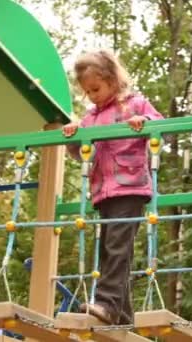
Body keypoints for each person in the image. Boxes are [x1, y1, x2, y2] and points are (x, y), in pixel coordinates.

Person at [62, 50, 163, 325]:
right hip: (103, 191)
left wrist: (144, 123)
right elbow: (82, 154)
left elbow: (162, 124)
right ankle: (123, 317)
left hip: (130, 187)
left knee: (117, 248)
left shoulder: (135, 104)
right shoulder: (91, 118)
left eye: (95, 88)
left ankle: (107, 303)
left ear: (112, 80)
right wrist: (75, 137)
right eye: (87, 92)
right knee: (111, 249)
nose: (92, 95)